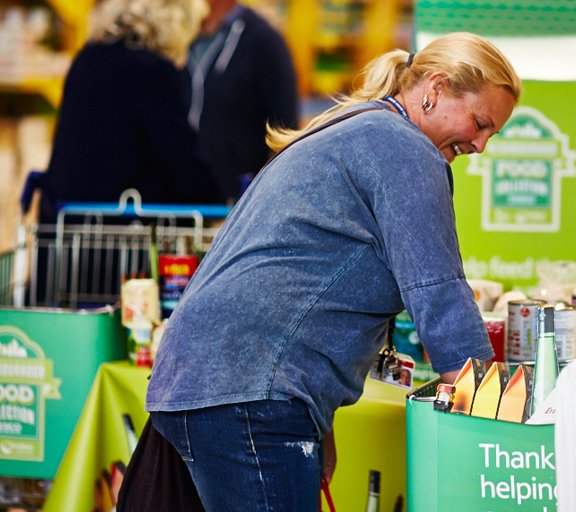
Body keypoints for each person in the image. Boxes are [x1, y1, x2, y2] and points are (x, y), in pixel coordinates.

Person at [145, 32, 520, 511]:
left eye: (492, 134)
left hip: (217, 380)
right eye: (480, 123)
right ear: (436, 88)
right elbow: (438, 291)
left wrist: (315, 423)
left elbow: (300, 280)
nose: (481, 145)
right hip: (246, 391)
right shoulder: (405, 149)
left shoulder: (360, 128)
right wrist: (494, 415)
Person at [42, 0, 223, 219]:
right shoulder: (152, 71)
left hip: (66, 219)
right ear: (176, 22)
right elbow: (182, 158)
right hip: (118, 224)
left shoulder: (87, 58)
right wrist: (217, 202)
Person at [185, 0, 299, 202]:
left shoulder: (264, 41)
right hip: (179, 200)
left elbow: (285, 131)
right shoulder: (178, 35)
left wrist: (264, 199)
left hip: (238, 200)